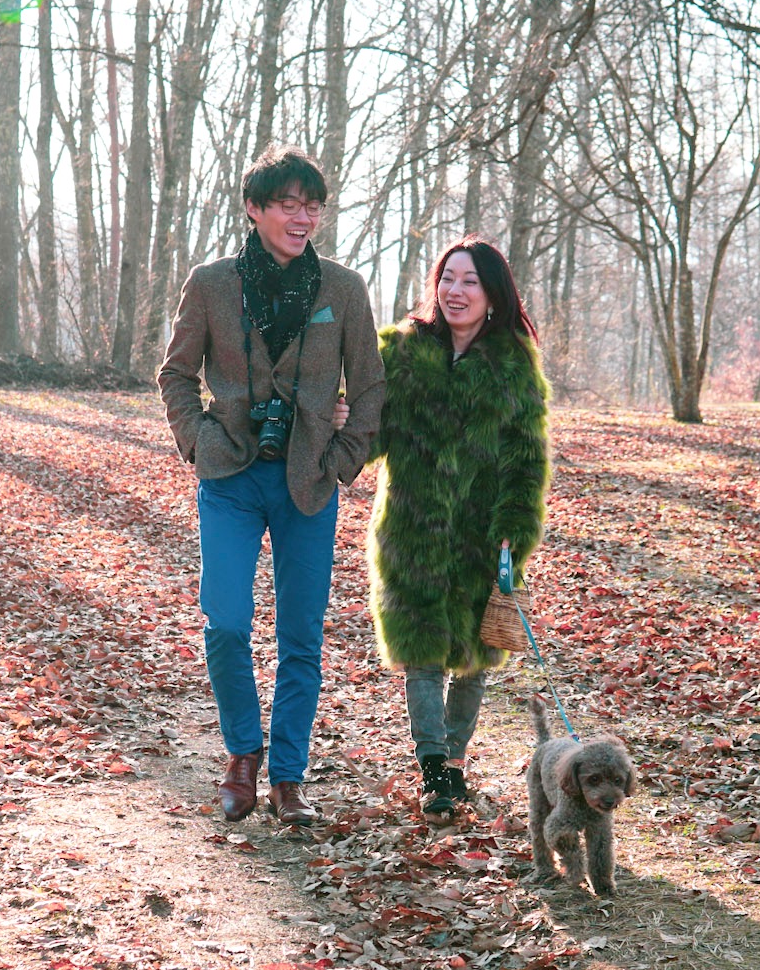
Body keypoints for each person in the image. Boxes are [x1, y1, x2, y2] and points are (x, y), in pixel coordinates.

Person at [158, 146, 386, 826]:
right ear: (254, 208)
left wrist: (344, 458)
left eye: (312, 204)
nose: (302, 216)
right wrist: (197, 441)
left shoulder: (343, 289)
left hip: (308, 483)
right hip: (229, 474)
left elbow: (370, 386)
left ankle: (288, 777)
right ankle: (241, 755)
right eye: (287, 203)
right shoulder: (211, 282)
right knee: (225, 621)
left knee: (300, 636)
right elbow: (175, 374)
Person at [368, 239, 550, 824]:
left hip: (481, 534)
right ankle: (435, 770)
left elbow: (526, 458)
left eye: (470, 281)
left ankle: (457, 759)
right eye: (448, 277)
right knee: (421, 652)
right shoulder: (401, 350)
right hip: (412, 528)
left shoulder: (514, 363)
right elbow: (374, 432)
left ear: (493, 293)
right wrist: (347, 419)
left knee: (472, 656)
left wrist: (513, 532)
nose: (455, 290)